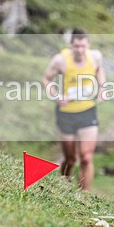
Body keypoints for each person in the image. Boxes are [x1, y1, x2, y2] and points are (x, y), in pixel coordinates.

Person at [42, 28, 105, 191]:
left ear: (88, 44)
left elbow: (99, 70)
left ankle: (84, 195)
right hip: (66, 114)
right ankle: (63, 186)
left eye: (83, 46)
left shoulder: (95, 57)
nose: (80, 50)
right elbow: (46, 79)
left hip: (87, 111)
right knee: (70, 159)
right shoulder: (60, 60)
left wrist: (102, 88)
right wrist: (56, 96)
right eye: (76, 46)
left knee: (86, 157)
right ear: (71, 45)